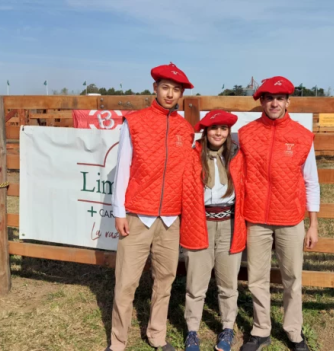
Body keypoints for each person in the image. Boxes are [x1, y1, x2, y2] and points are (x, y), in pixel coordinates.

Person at [107, 63, 195, 351]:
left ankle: (156, 334)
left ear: (181, 94)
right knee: (126, 283)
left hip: (171, 218)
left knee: (165, 280)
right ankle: (118, 342)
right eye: (166, 87)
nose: (170, 94)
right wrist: (119, 210)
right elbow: (123, 169)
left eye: (176, 90)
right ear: (155, 88)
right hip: (137, 215)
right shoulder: (134, 122)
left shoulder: (186, 128)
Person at [238, 76, 320, 351]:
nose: (274, 103)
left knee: (293, 278)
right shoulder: (247, 133)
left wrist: (313, 224)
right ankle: (261, 330)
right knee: (256, 278)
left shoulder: (301, 136)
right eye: (269, 98)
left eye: (280, 98)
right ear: (262, 100)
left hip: (290, 218)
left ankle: (294, 331)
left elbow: (311, 181)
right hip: (256, 218)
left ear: (287, 101)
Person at [179, 110, 247, 351]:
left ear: (228, 132)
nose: (218, 132)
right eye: (213, 128)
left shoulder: (236, 156)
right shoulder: (191, 156)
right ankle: (192, 330)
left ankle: (228, 327)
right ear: (205, 131)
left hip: (229, 223)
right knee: (196, 283)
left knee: (228, 282)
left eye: (223, 128)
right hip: (200, 222)